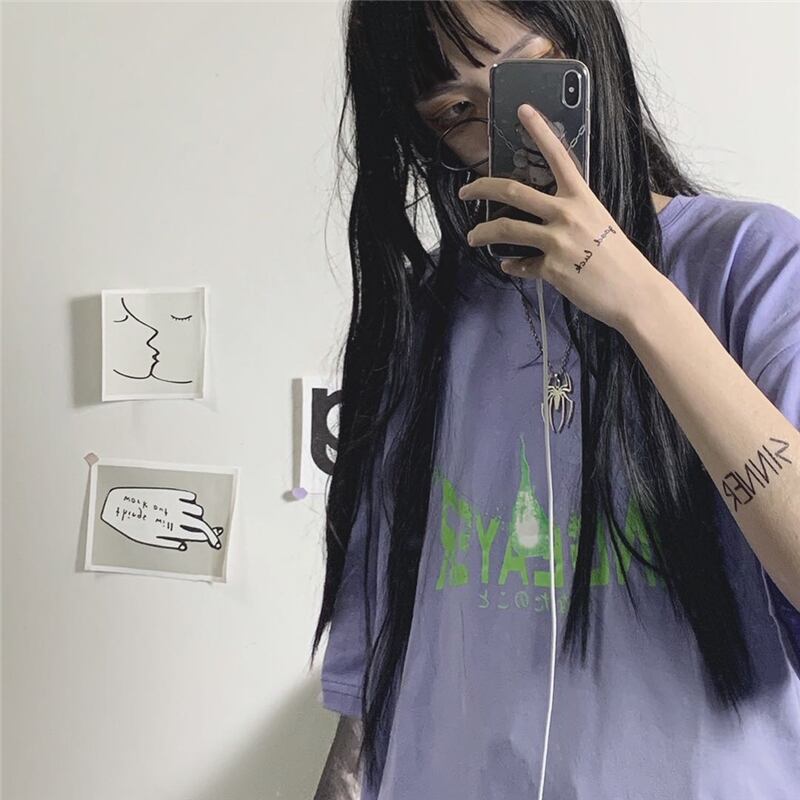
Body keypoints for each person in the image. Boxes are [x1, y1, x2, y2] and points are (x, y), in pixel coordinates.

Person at [310, 2, 800, 799]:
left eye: (535, 73)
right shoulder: (423, 322)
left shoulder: (752, 265)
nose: (519, 127)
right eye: (457, 112)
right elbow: (375, 661)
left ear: (591, 47)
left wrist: (639, 298)